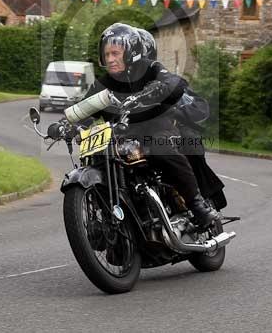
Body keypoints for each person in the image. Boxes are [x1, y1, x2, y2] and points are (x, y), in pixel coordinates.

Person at [79, 23, 220, 228]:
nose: (110, 59)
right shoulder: (104, 83)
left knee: (160, 147)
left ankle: (197, 206)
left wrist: (159, 89)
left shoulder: (149, 68)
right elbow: (84, 107)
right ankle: (113, 221)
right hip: (123, 135)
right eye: (106, 54)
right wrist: (67, 122)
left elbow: (175, 83)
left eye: (115, 53)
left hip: (156, 129)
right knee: (101, 157)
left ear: (130, 52)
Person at [136, 27, 226, 209]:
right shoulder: (118, 83)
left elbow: (196, 105)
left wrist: (175, 109)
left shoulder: (161, 78)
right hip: (134, 136)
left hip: (166, 131)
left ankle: (197, 202)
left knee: (187, 142)